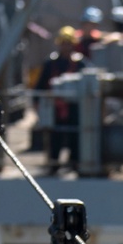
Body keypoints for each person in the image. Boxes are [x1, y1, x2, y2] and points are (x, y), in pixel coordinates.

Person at [35, 26, 84, 169]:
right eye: (63, 43)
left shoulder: (80, 64)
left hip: (74, 107)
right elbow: (40, 85)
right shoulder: (50, 64)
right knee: (54, 135)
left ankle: (75, 161)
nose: (66, 47)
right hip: (55, 107)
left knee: (75, 135)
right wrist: (37, 104)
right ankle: (54, 162)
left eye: (68, 43)